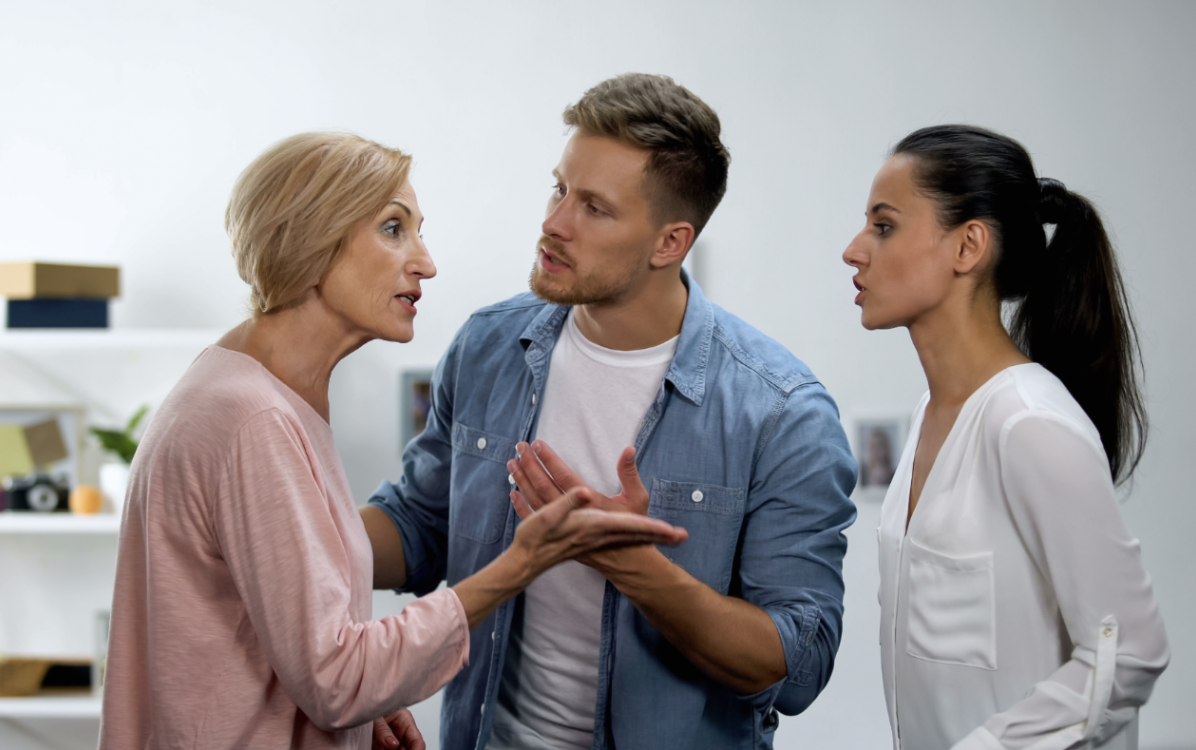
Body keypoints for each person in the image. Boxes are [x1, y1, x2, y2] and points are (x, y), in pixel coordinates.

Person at [99, 132, 687, 750]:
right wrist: (525, 559)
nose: (425, 262)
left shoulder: (260, 390)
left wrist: (359, 710)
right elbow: (335, 676)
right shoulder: (252, 420)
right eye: (392, 228)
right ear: (311, 241)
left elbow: (281, 627)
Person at [362, 74, 858, 750]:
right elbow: (419, 526)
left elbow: (798, 667)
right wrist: (287, 536)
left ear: (669, 242)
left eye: (595, 208)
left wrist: (634, 566)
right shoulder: (488, 346)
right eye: (560, 188)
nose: (554, 222)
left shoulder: (782, 414)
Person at [842, 124, 1170, 749]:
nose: (854, 250)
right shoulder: (931, 415)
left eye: (884, 226)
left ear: (968, 247)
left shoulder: (1030, 424)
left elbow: (1130, 651)